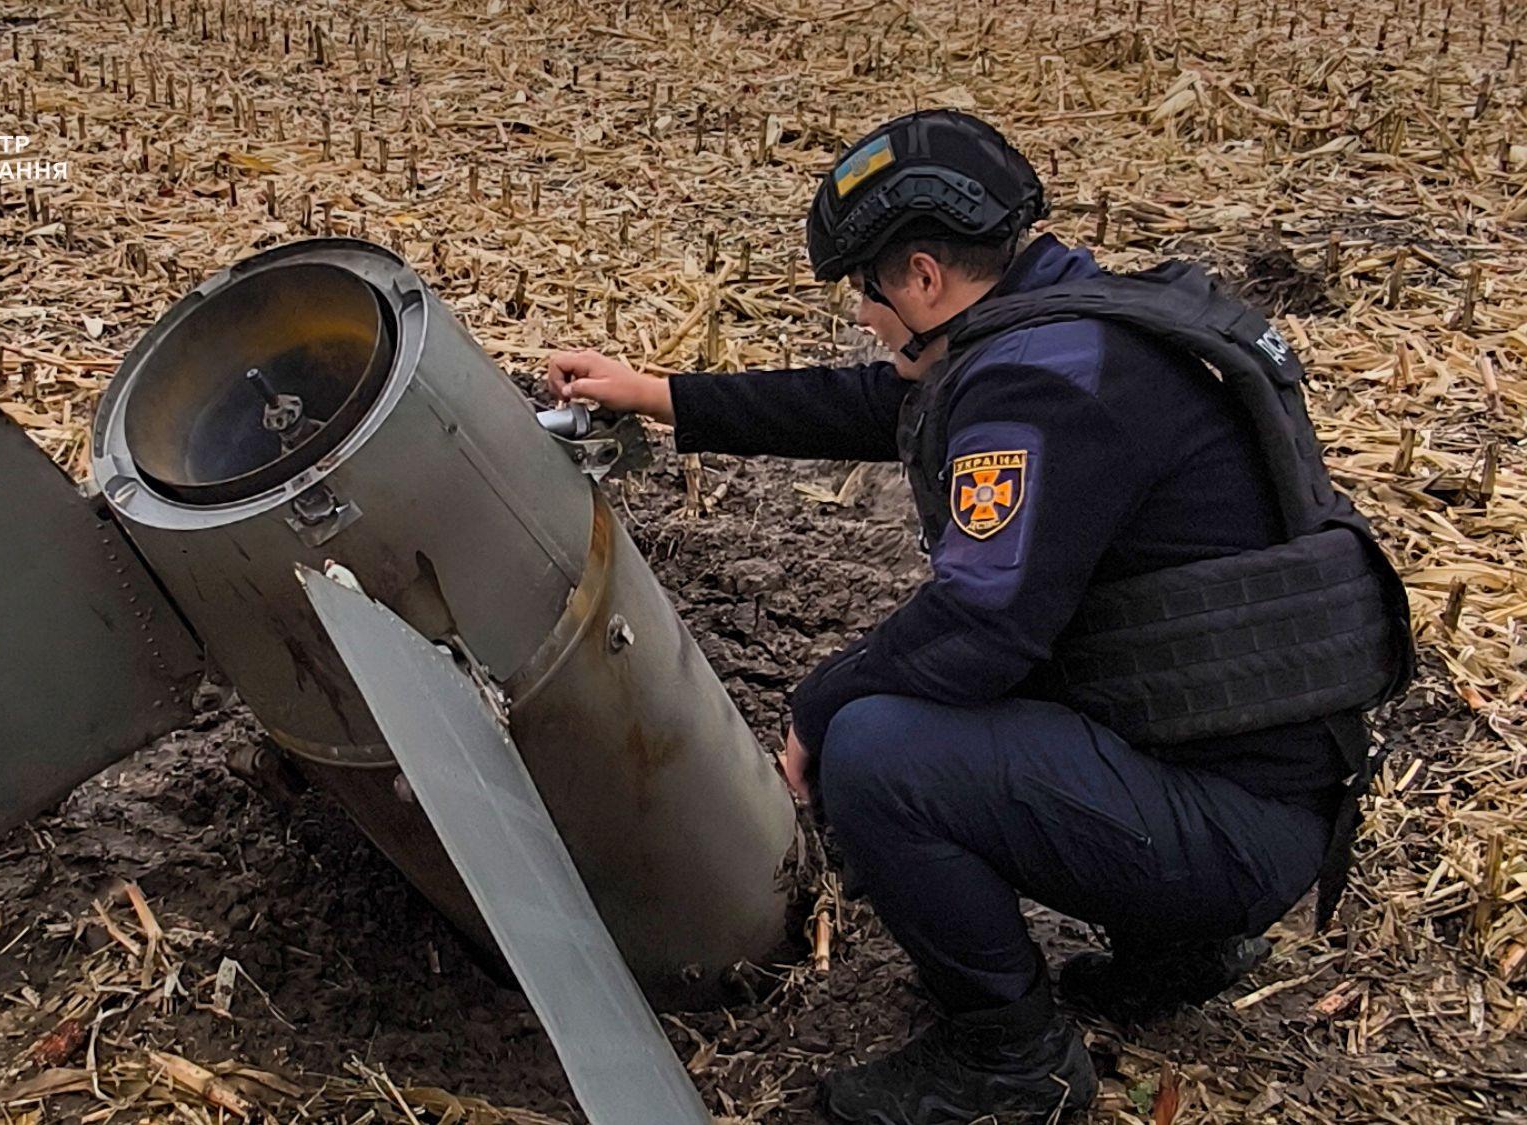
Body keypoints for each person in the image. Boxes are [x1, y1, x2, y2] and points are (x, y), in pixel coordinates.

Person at [545, 109, 1412, 1125]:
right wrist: (661, 395)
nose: (863, 317)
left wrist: (815, 713)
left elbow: (979, 628)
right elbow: (886, 406)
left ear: (919, 277)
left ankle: (1011, 1061)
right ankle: (1172, 944)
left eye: (863, 292)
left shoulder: (1036, 386)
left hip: (1234, 833)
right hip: (1260, 779)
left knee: (878, 750)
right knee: (948, 695)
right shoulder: (1073, 327)